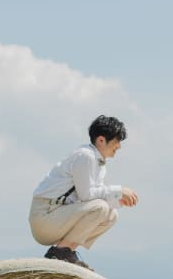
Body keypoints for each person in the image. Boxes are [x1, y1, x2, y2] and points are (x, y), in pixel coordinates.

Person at [29, 115, 138, 270]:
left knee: (111, 215)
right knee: (100, 207)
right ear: (101, 140)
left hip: (58, 215)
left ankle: (67, 252)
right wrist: (119, 191)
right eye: (117, 141)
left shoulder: (98, 162)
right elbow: (86, 196)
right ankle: (59, 253)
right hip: (45, 216)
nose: (119, 146)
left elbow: (89, 197)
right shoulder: (85, 156)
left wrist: (118, 200)